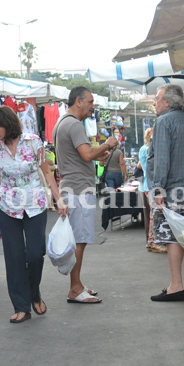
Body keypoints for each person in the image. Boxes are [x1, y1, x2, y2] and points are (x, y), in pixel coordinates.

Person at [0, 106, 68, 323]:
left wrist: (58, 198)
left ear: (8, 124)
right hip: (7, 207)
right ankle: (21, 306)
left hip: (35, 204)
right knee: (14, 258)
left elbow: (46, 171)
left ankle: (34, 294)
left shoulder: (33, 142)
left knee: (34, 254)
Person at [54, 86, 119, 304]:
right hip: (79, 190)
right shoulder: (73, 124)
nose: (93, 106)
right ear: (78, 101)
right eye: (90, 101)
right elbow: (86, 153)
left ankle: (78, 285)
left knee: (79, 240)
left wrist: (99, 155)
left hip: (74, 187)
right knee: (79, 241)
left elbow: (82, 157)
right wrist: (107, 144)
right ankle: (74, 289)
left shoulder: (63, 123)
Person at [147, 84, 184, 302]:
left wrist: (158, 188)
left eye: (158, 98)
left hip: (170, 190)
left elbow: (161, 159)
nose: (155, 102)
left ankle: (175, 286)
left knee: (173, 238)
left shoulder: (163, 122)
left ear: (167, 102)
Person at [137, 128, 165, 253]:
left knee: (153, 214)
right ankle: (153, 241)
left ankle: (152, 240)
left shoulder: (143, 149)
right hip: (152, 185)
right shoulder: (148, 149)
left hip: (148, 185)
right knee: (155, 215)